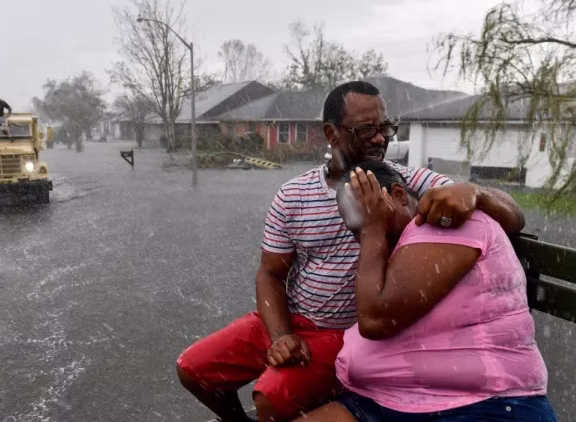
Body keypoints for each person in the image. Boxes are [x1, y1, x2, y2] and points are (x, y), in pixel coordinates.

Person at [175, 81, 527, 422]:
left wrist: (476, 192)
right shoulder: (293, 195)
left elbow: (512, 216)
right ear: (331, 134)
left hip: (342, 334)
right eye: (366, 129)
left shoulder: (399, 181)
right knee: (193, 369)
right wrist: (281, 336)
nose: (379, 138)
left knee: (270, 396)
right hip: (289, 319)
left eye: (386, 128)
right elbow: (270, 273)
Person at [296, 160, 556, 422]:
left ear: (397, 195)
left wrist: (372, 229)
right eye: (354, 226)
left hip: (478, 405)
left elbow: (377, 319)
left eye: (362, 216)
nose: (358, 234)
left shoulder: (445, 222)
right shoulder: (401, 243)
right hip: (384, 400)